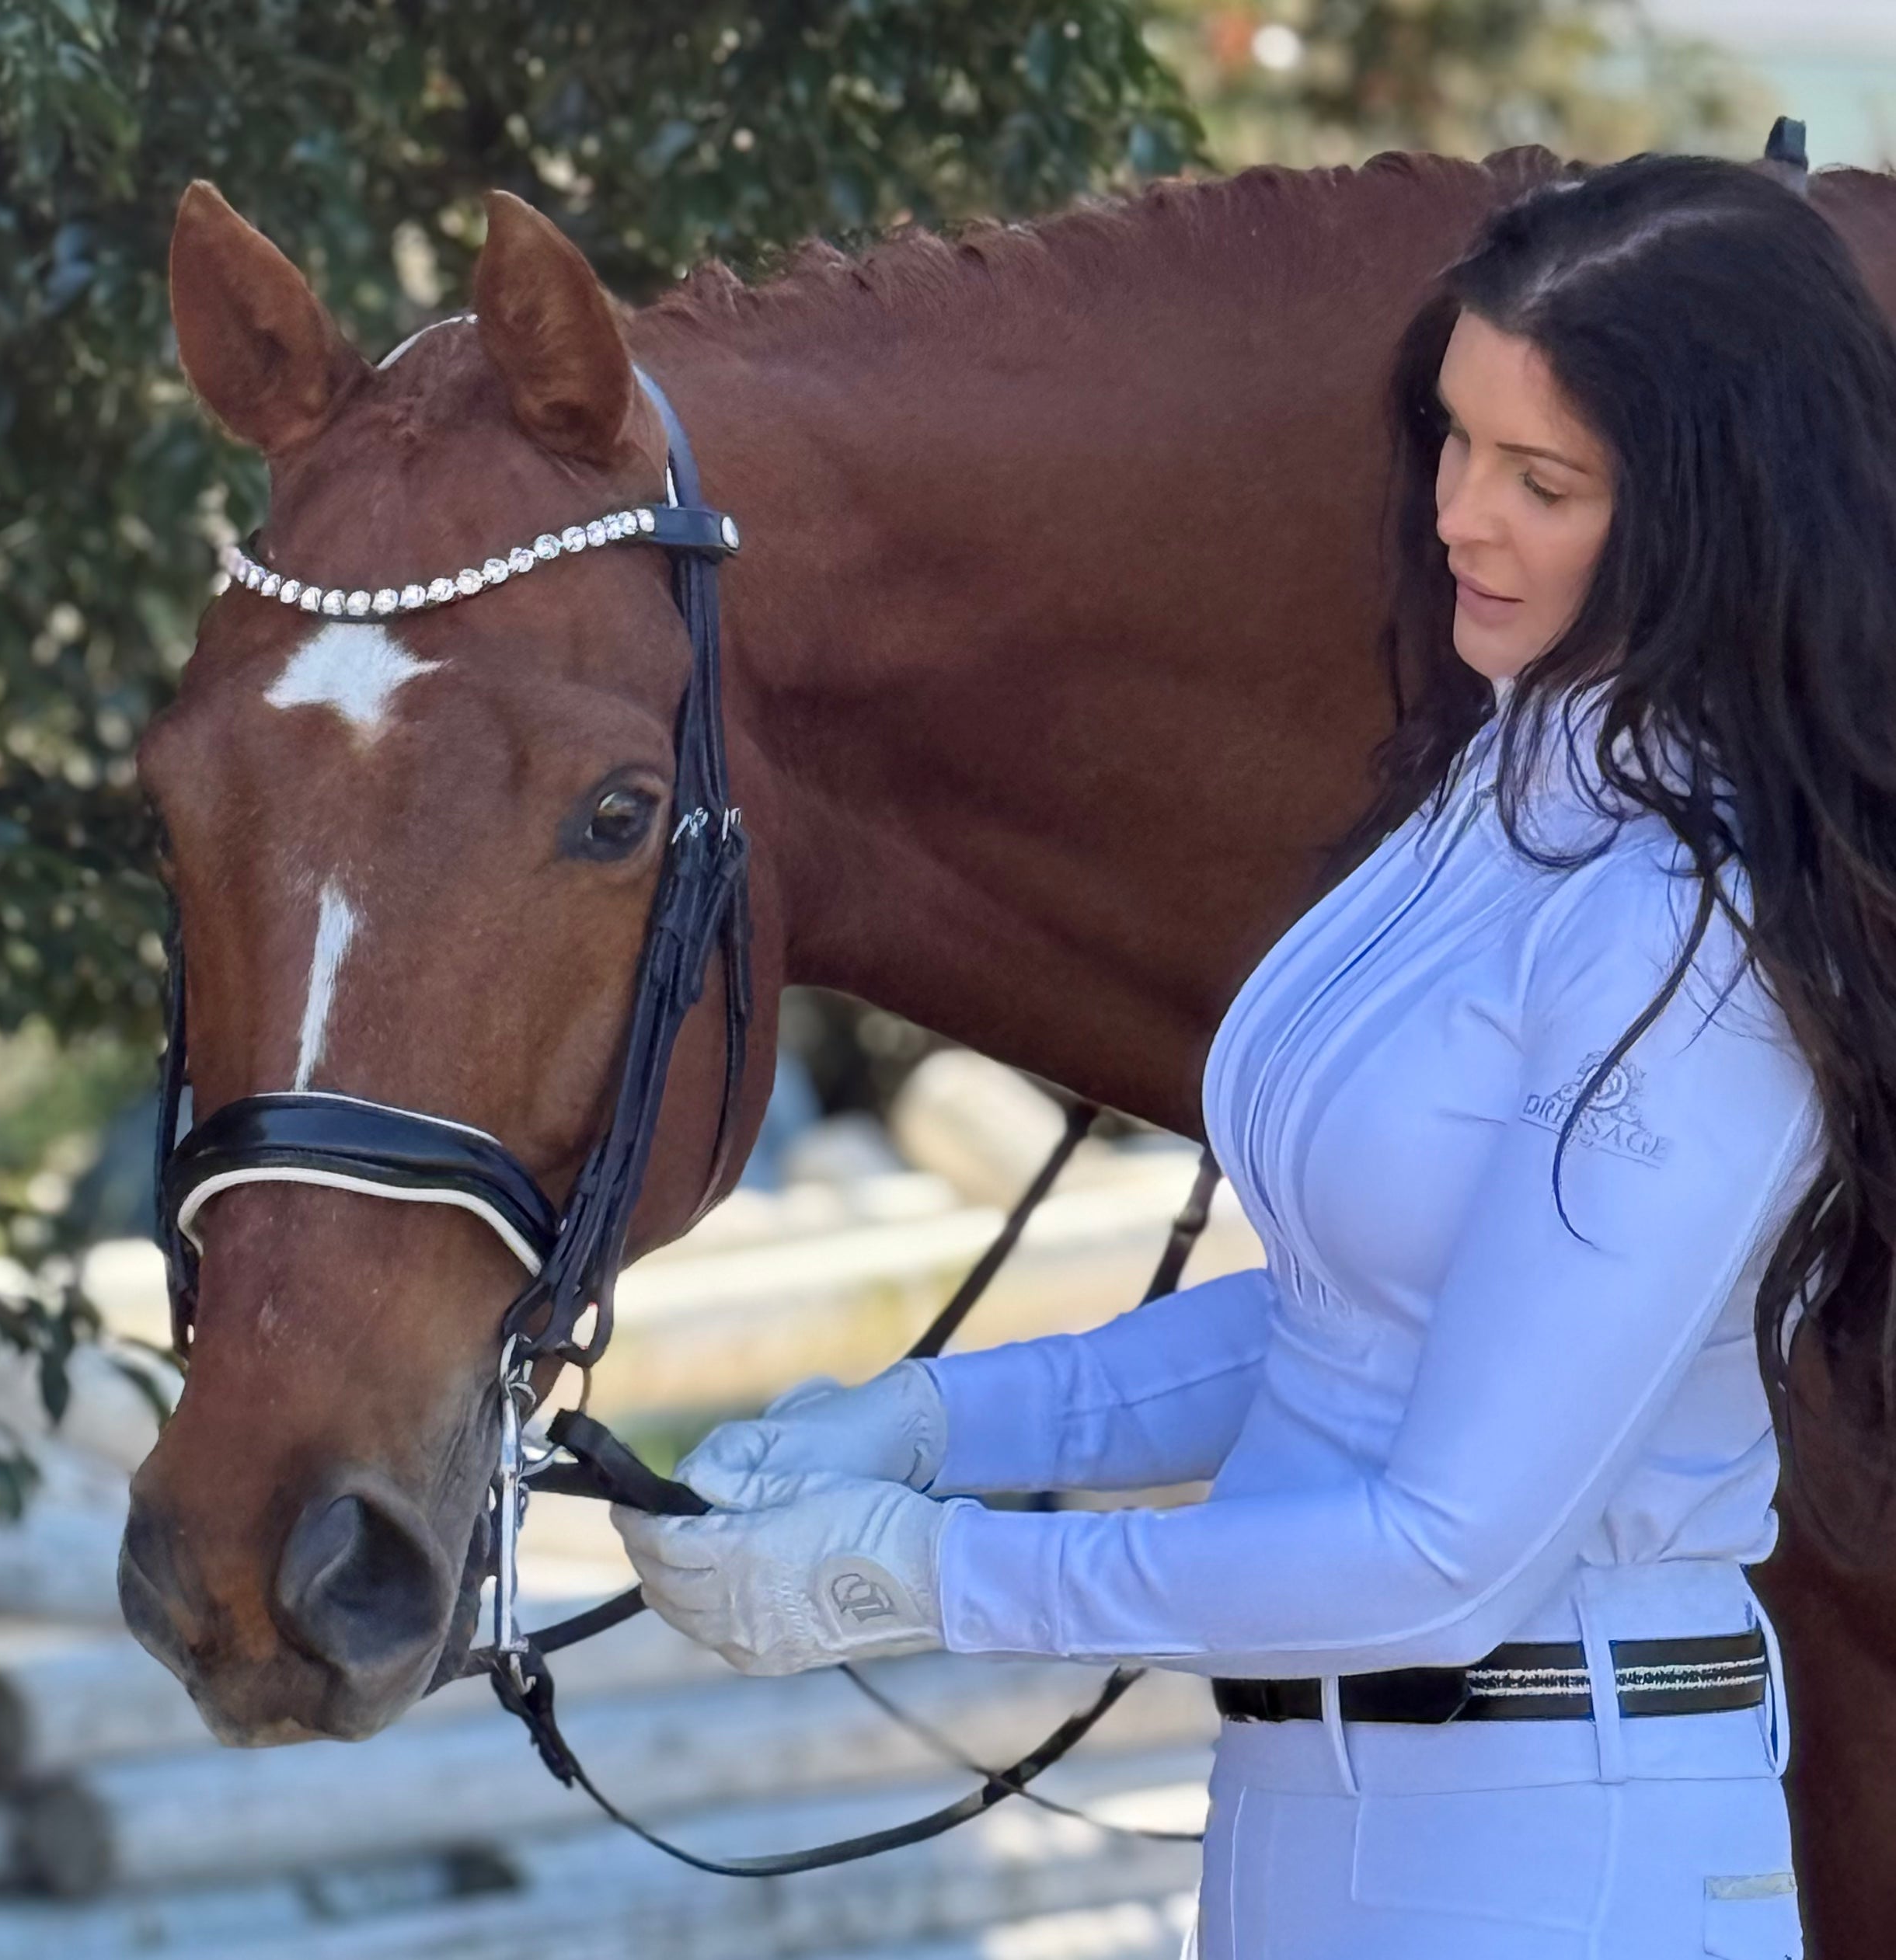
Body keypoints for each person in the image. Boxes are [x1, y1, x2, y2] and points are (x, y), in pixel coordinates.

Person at [615, 153, 1896, 1958]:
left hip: (1554, 1854)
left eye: (1545, 481)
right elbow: (1344, 1312)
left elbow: (1449, 1554)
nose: (1461, 514)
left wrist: (926, 1575)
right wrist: (930, 1421)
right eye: (1452, 440)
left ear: (1716, 513)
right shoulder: (1485, 802)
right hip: (1316, 1825)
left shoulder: (1680, 929)